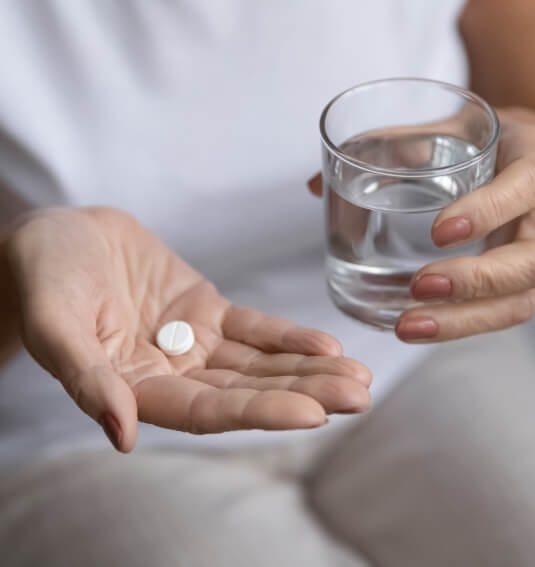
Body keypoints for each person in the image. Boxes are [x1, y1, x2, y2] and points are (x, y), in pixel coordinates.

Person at [1, 0, 535, 565]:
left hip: (415, 343)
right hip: (97, 412)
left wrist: (522, 151)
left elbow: (515, 83)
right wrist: (20, 267)